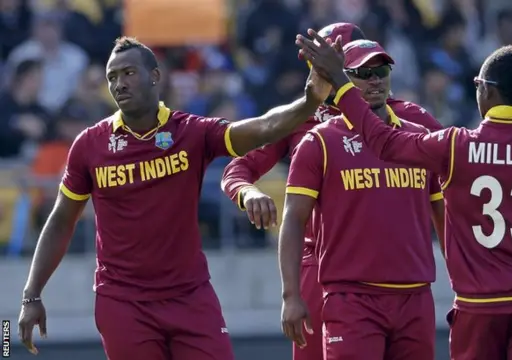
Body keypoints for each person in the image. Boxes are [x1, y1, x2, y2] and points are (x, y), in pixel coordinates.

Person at [297, 36, 512, 360]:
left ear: (488, 92)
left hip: (479, 308)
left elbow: (385, 142)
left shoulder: (456, 146)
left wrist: (342, 83)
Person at [17, 36, 331, 360]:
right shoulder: (90, 145)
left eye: (128, 73)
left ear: (155, 76)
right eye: (112, 77)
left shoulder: (191, 132)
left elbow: (263, 127)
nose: (118, 84)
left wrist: (309, 101)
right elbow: (61, 220)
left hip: (190, 296)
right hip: (124, 303)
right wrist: (31, 295)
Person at [279, 39, 445, 360]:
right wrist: (291, 296)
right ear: (342, 80)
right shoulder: (319, 142)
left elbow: (444, 217)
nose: (376, 80)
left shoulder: (416, 138)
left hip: (415, 298)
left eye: (381, 71)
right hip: (352, 299)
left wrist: (464, 286)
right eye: (364, 73)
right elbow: (293, 220)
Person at [221, 22, 366, 360]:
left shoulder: (395, 118)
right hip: (320, 268)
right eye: (318, 64)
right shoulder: (301, 117)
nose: (325, 72)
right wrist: (248, 193)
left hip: (383, 264)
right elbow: (236, 170)